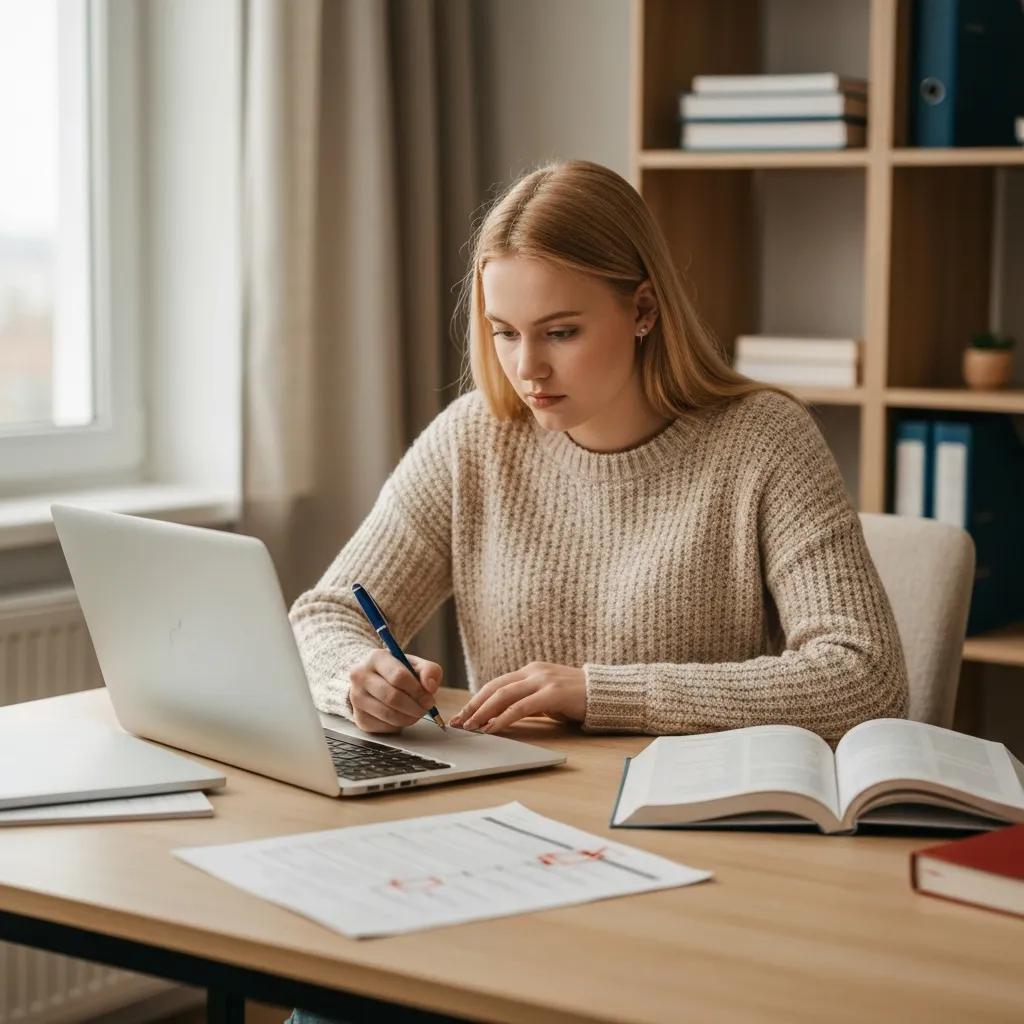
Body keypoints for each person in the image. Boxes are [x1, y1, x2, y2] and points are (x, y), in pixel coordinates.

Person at [288, 158, 908, 749]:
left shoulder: (764, 440)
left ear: (642, 309)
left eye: (560, 332)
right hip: (513, 809)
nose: (527, 368)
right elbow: (323, 614)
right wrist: (356, 678)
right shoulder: (473, 437)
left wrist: (599, 692)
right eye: (505, 332)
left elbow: (865, 679)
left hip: (692, 814)